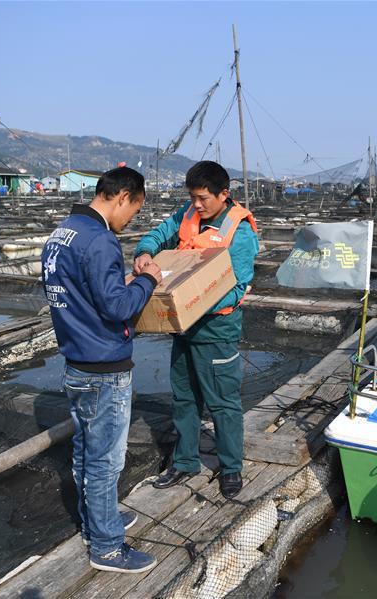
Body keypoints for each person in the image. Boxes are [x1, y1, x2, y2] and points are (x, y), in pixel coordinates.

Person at [42, 166, 162, 573]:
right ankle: (107, 546)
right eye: (134, 211)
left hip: (75, 360)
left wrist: (120, 284)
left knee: (84, 450)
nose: (131, 221)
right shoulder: (100, 240)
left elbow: (84, 294)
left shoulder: (63, 233)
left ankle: (96, 518)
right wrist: (147, 281)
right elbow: (117, 307)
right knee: (106, 459)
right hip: (104, 366)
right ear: (123, 196)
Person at [133, 160, 258, 499]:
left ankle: (231, 467)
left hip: (216, 331)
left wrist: (192, 302)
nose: (197, 205)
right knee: (184, 399)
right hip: (183, 330)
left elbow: (238, 286)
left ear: (223, 194)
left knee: (223, 403)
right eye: (192, 197)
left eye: (203, 198)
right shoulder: (187, 215)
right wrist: (144, 252)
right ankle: (185, 460)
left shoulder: (240, 233)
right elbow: (159, 234)